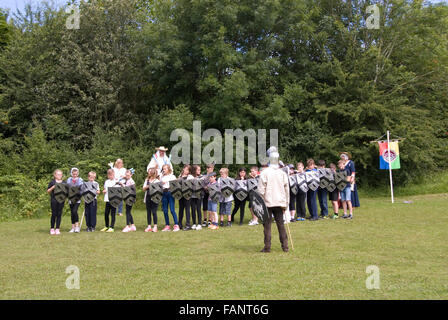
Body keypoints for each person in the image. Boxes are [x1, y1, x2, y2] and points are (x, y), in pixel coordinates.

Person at [258, 150, 290, 253]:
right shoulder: (282, 173)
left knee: (267, 226)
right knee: (281, 225)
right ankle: (285, 247)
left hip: (268, 202)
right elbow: (287, 190)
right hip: (279, 202)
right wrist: (286, 204)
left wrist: (261, 202)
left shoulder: (264, 173)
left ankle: (267, 247)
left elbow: (261, 190)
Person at [160, 164, 180, 232]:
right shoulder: (162, 177)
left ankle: (176, 225)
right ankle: (167, 225)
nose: (164, 170)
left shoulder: (172, 176)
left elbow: (175, 185)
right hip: (164, 193)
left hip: (170, 193)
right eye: (163, 169)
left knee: (172, 210)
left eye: (165, 169)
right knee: (165, 210)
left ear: (168, 169)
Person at [47, 169, 65, 235]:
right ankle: (52, 228)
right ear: (54, 175)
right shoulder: (52, 182)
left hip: (61, 200)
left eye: (60, 174)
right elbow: (48, 191)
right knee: (54, 214)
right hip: (54, 200)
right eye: (58, 174)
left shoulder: (64, 182)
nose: (59, 176)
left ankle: (57, 228)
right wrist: (52, 188)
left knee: (59, 214)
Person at [143, 168, 161, 232]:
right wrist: (147, 186)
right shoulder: (147, 180)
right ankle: (149, 226)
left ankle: (155, 226)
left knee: (154, 211)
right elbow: (144, 189)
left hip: (155, 197)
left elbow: (159, 190)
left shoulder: (157, 181)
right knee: (148, 212)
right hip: (148, 197)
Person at [66, 167, 84, 233]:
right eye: (73, 174)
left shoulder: (80, 180)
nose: (75, 175)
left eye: (76, 174)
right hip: (71, 198)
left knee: (74, 211)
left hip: (77, 198)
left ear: (78, 173)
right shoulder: (69, 179)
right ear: (71, 173)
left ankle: (77, 226)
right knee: (72, 213)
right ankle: (73, 227)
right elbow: (67, 188)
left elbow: (81, 189)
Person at [178, 165, 194, 231]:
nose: (185, 170)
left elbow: (191, 186)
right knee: (181, 209)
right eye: (185, 169)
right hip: (180, 195)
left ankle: (188, 225)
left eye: (187, 170)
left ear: (189, 171)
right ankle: (180, 224)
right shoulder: (180, 176)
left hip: (187, 195)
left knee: (187, 209)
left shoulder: (190, 177)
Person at [190, 165, 203, 230]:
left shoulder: (201, 177)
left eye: (200, 170)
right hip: (192, 196)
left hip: (199, 196)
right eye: (198, 170)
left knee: (198, 209)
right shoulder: (190, 177)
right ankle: (194, 223)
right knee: (193, 210)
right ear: (194, 170)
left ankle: (199, 224)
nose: (199, 171)